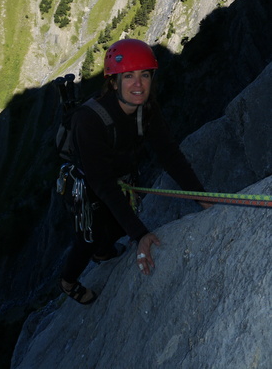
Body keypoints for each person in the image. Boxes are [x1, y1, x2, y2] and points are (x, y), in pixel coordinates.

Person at [59, 38, 210, 305]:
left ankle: (104, 254)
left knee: (116, 226)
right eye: (128, 76)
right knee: (88, 237)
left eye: (145, 75)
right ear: (113, 82)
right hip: (89, 181)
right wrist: (140, 235)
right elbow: (102, 183)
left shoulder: (146, 108)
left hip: (121, 175)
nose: (138, 84)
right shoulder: (88, 120)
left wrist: (201, 196)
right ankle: (68, 282)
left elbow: (168, 153)